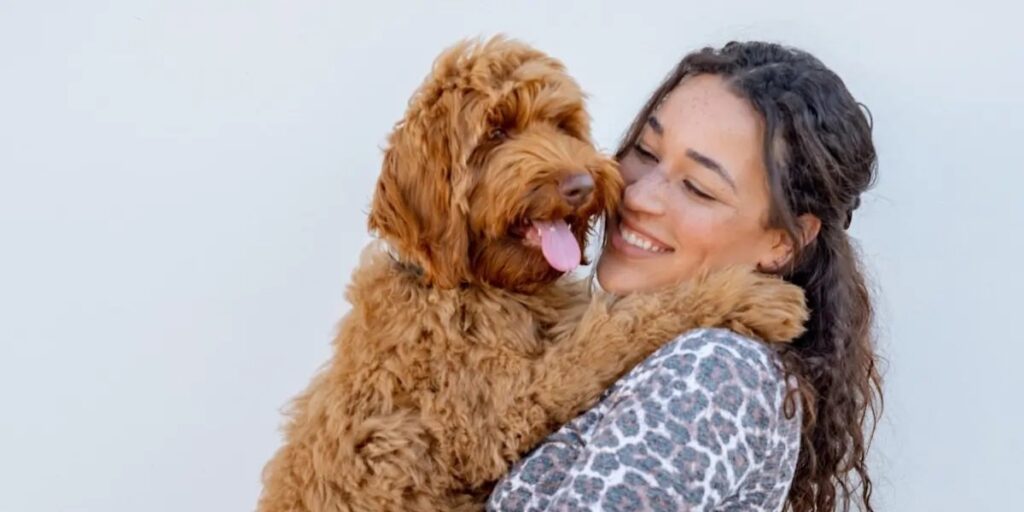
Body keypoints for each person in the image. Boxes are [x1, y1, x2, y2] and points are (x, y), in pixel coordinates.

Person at [488, 41, 882, 512]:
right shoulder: (626, 357)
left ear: (783, 242)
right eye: (645, 152)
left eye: (698, 188)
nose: (639, 197)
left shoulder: (716, 371)